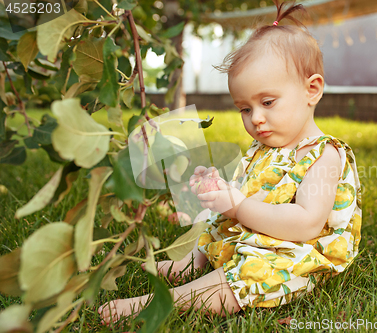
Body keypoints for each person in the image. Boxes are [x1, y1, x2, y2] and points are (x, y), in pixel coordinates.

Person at [98, 0, 362, 324]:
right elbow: (248, 194)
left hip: (301, 249)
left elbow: (307, 223)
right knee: (211, 219)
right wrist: (219, 189)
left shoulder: (325, 155)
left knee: (252, 270)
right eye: (245, 109)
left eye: (267, 102)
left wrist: (239, 207)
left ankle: (159, 302)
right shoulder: (265, 149)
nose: (256, 119)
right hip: (262, 230)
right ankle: (190, 263)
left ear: (312, 90)